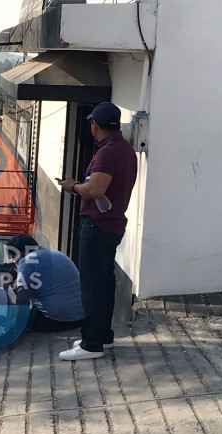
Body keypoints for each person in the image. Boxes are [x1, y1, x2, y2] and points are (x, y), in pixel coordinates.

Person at [56, 102, 137, 360]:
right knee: (104, 283)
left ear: (95, 125)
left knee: (91, 284)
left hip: (98, 225)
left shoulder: (107, 152)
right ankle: (102, 336)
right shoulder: (124, 149)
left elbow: (95, 190)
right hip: (112, 224)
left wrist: (72, 186)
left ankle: (91, 344)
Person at [8, 234, 84, 333]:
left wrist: (17, 326)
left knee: (8, 317)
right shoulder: (58, 254)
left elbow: (23, 299)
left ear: (19, 253)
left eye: (14, 257)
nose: (15, 262)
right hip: (82, 315)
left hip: (58, 320)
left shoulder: (25, 261)